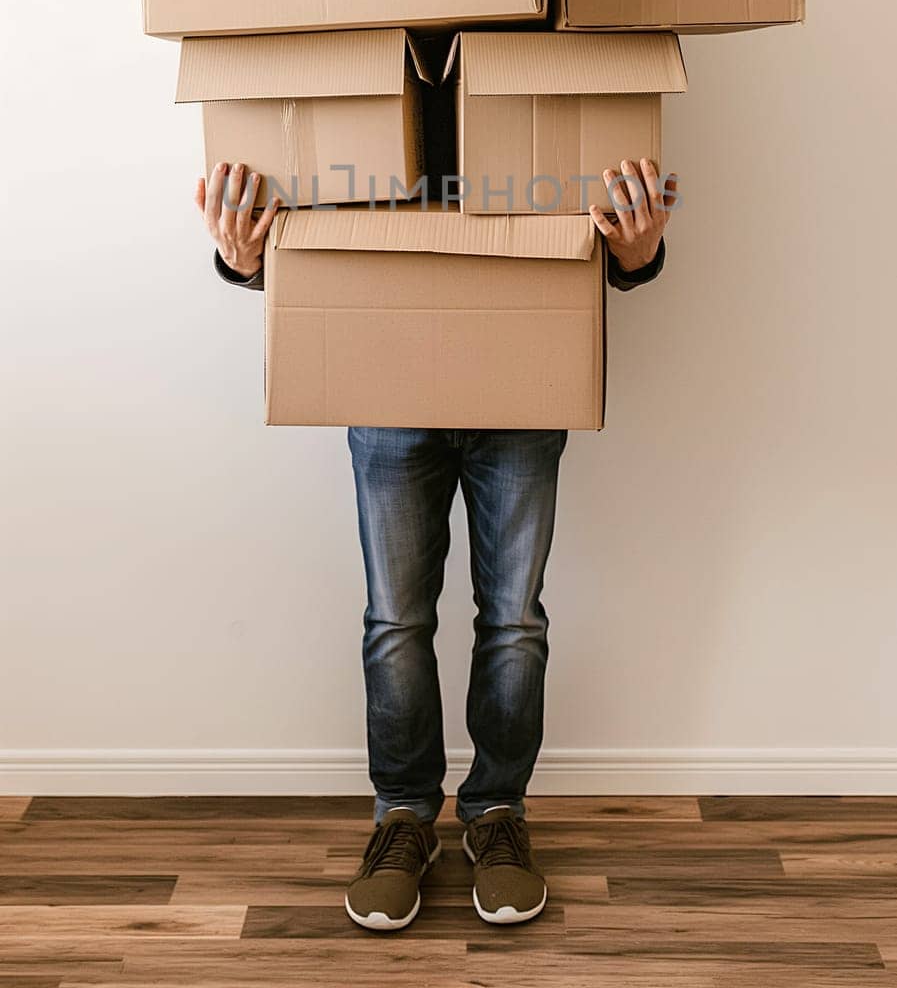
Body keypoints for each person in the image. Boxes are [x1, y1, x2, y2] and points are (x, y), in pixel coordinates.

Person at [196, 155, 678, 931]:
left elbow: (586, 196)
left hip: (523, 379)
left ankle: (496, 812)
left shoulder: (543, 46)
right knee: (395, 618)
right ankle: (403, 819)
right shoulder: (355, 54)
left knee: (515, 618)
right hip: (386, 385)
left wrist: (636, 252)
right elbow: (312, 203)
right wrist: (242, 260)